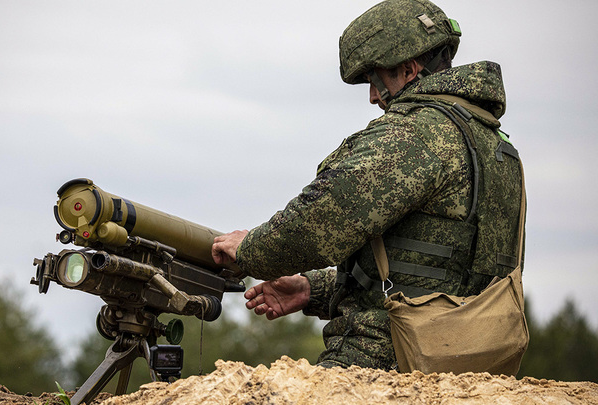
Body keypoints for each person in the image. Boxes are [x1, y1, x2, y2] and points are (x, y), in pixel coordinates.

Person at [212, 0, 524, 371]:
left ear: (408, 70)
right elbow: (444, 281)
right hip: (468, 363)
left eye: (375, 80)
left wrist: (249, 249)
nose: (373, 96)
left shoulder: (416, 133)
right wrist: (313, 290)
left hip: (382, 358)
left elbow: (321, 219)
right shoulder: (499, 149)